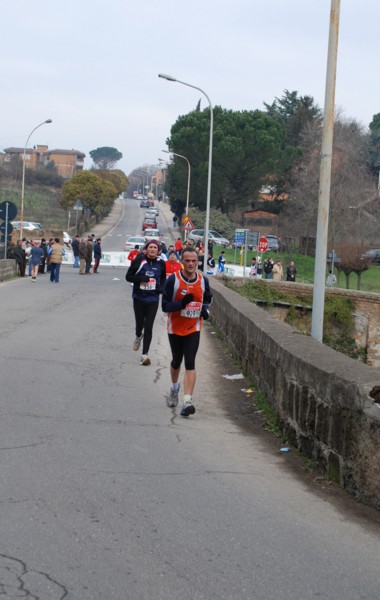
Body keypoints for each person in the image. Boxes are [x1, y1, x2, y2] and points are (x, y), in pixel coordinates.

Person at [162, 246, 212, 417]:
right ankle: (174, 388)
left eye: (194, 261)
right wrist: (181, 304)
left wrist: (205, 311)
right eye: (187, 260)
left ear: (198, 262)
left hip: (193, 327)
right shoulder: (173, 280)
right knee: (177, 360)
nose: (191, 264)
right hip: (175, 327)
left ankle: (187, 401)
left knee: (190, 361)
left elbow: (207, 300)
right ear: (182, 262)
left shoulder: (203, 281)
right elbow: (165, 306)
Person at [125, 239, 166, 365]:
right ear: (146, 249)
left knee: (149, 326)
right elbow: (128, 277)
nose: (153, 249)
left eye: (155, 247)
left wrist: (161, 288)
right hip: (139, 298)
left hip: (153, 299)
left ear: (158, 250)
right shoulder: (139, 260)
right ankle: (138, 336)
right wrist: (140, 279)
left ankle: (145, 355)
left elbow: (163, 279)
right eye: (151, 247)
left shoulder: (161, 263)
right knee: (139, 325)